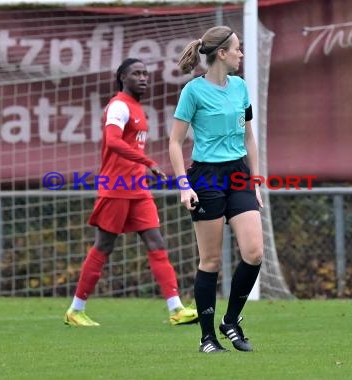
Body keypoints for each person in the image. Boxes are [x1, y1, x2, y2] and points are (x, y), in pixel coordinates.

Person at [64, 58, 198, 327]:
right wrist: (148, 162)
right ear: (122, 77)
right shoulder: (118, 106)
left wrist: (144, 167)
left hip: (137, 189)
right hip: (116, 187)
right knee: (104, 245)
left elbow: (129, 148)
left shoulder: (137, 108)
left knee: (156, 242)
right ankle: (75, 310)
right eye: (136, 73)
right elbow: (112, 141)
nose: (143, 78)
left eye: (146, 74)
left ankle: (176, 309)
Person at [168, 26, 264, 353]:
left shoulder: (240, 87)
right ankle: (207, 337)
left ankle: (231, 321)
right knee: (210, 261)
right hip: (206, 177)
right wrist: (184, 186)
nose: (241, 54)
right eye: (237, 49)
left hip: (238, 174)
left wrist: (256, 180)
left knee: (254, 253)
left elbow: (249, 137)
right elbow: (175, 142)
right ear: (221, 53)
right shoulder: (193, 92)